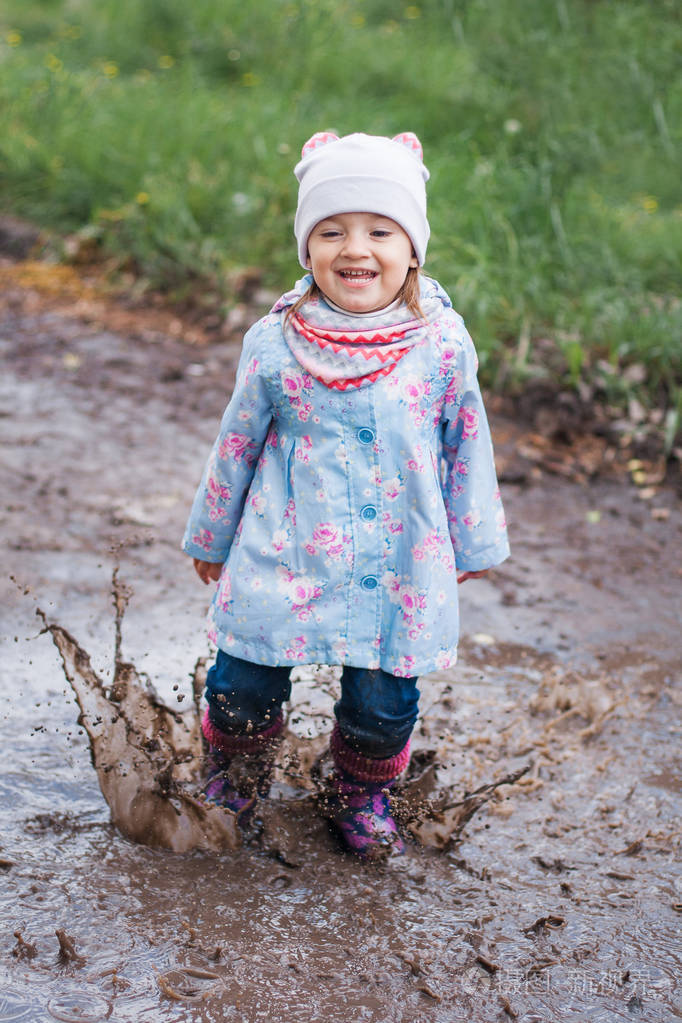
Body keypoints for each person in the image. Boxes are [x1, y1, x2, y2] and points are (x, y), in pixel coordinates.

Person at [182, 131, 510, 859]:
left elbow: (467, 438)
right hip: (283, 546)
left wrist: (473, 537)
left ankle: (357, 792)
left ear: (413, 248)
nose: (354, 246)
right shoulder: (276, 342)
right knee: (244, 680)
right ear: (307, 248)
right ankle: (234, 775)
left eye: (378, 229)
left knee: (383, 702)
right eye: (331, 230)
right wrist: (211, 537)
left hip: (397, 556)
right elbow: (236, 443)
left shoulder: (442, 342)